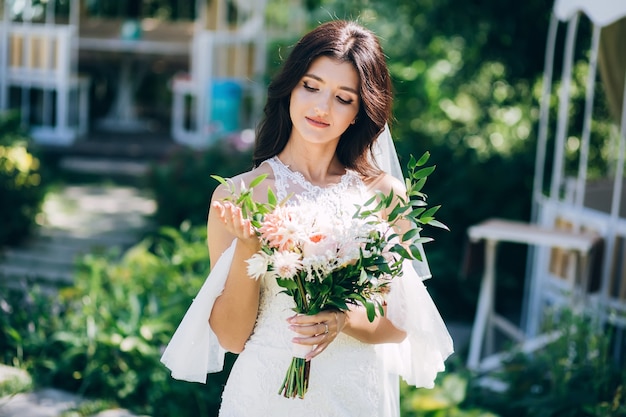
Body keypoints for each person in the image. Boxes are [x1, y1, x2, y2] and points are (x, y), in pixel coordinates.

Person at [161, 19, 453, 416]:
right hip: (266, 395)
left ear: (359, 111)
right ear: (291, 89)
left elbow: (399, 323)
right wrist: (249, 246)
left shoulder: (384, 195)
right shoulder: (239, 195)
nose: (321, 107)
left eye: (343, 97)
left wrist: (342, 319)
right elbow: (230, 337)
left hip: (355, 395)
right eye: (311, 87)